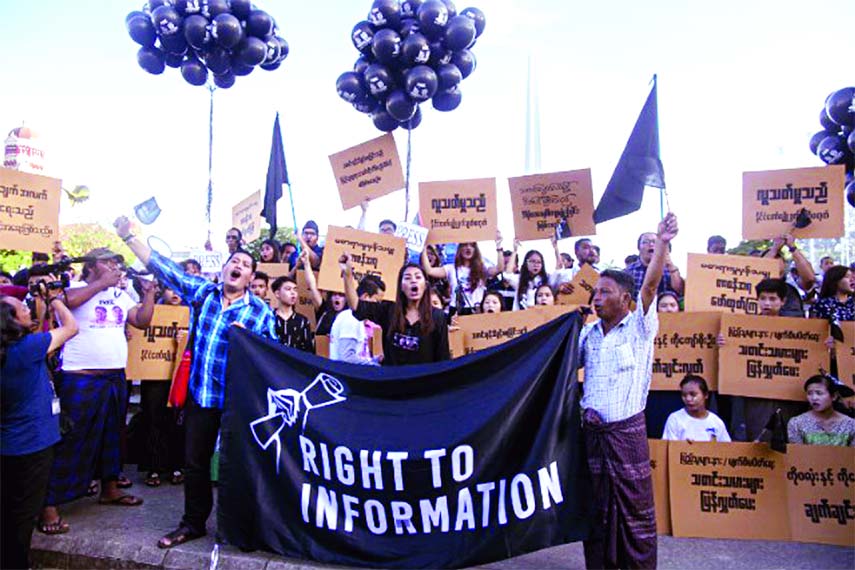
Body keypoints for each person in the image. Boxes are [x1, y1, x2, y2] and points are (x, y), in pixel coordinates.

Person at [113, 215, 277, 549]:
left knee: (238, 468)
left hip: (236, 405)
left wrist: (252, 345)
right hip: (202, 399)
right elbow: (165, 268)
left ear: (250, 277)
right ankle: (193, 523)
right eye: (235, 261)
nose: (239, 266)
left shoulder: (260, 313)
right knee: (195, 465)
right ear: (225, 267)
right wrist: (130, 238)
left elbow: (273, 361)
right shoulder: (204, 294)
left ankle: (240, 529)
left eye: (246, 265)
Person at [579, 211, 678, 569]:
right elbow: (555, 365)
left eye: (605, 292)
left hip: (626, 438)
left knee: (634, 518)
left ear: (626, 298)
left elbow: (651, 287)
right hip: (592, 436)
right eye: (595, 292)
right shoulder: (587, 334)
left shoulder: (640, 328)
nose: (597, 298)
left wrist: (663, 243)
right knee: (598, 516)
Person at [40, 249, 156, 534]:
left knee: (111, 435)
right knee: (71, 438)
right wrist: (103, 283)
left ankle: (110, 488)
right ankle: (49, 504)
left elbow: (140, 320)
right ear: (92, 266)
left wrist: (150, 293)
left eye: (116, 262)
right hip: (81, 375)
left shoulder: (120, 293)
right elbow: (66, 303)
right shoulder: (74, 290)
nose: (116, 266)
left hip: (114, 375)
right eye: (109, 262)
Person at [1, 289, 78, 568]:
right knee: (22, 514)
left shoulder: (14, 349)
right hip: (31, 445)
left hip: (8, 443)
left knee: (7, 509)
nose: (26, 308)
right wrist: (56, 299)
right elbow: (71, 327)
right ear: (11, 321)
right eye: (21, 307)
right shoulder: (26, 349)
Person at [717, 277, 808, 441]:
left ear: (783, 301)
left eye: (772, 299)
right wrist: (725, 344)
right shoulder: (744, 327)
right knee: (758, 438)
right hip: (755, 396)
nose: (767, 303)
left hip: (786, 395)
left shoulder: (798, 329)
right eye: (763, 298)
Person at [343, 257, 450, 365]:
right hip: (392, 379)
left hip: (423, 380)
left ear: (425, 286)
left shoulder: (438, 317)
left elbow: (442, 358)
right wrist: (347, 275)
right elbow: (356, 305)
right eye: (407, 278)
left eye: (418, 277)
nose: (413, 280)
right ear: (401, 287)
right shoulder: (388, 310)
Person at [140, 284, 186, 488]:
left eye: (178, 289)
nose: (174, 294)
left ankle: (176, 466)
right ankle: (154, 467)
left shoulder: (191, 315)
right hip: (154, 377)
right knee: (153, 420)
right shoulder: (149, 313)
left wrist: (185, 340)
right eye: (170, 289)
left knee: (177, 422)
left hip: (180, 378)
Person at [421, 233, 505, 316]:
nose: (468, 248)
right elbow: (429, 270)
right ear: (460, 249)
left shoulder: (482, 268)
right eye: (465, 245)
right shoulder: (451, 268)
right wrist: (424, 248)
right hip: (457, 310)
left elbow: (499, 269)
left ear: (475, 249)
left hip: (476, 310)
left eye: (472, 245)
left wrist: (499, 246)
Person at [330, 276, 385, 365]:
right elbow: (346, 358)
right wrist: (373, 364)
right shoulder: (351, 319)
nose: (379, 306)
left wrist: (375, 360)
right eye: (377, 301)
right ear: (366, 297)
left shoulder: (351, 317)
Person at [787, 374, 855, 447]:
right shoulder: (797, 423)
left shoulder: (850, 425)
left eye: (819, 393)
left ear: (834, 396)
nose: (814, 398)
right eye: (809, 393)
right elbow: (796, 454)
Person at [662, 376, 731, 442]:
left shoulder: (716, 422)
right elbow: (669, 448)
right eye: (684, 395)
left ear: (706, 395)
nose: (688, 399)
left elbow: (726, 449)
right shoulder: (675, 419)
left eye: (693, 394)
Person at [626, 231, 684, 297]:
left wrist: (670, 265)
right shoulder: (629, 271)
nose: (651, 244)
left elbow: (680, 291)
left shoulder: (670, 270)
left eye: (655, 242)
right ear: (638, 247)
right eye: (645, 242)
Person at [271, 275, 314, 353]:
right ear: (277, 294)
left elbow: (308, 350)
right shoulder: (269, 318)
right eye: (288, 289)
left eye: (295, 289)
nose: (293, 293)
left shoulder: (302, 321)